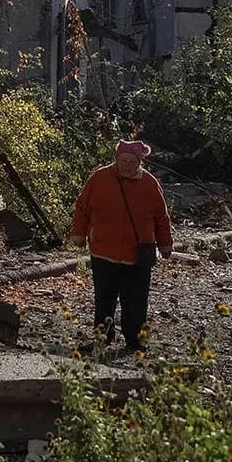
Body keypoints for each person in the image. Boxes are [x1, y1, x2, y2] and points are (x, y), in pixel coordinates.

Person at [69, 139, 173, 352]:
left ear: (139, 162)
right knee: (103, 301)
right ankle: (101, 339)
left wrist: (165, 244)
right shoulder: (100, 178)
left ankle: (135, 343)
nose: (127, 165)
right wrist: (78, 233)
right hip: (103, 252)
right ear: (116, 159)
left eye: (132, 161)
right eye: (123, 160)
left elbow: (161, 218)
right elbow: (83, 207)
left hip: (136, 255)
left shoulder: (150, 184)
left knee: (135, 302)